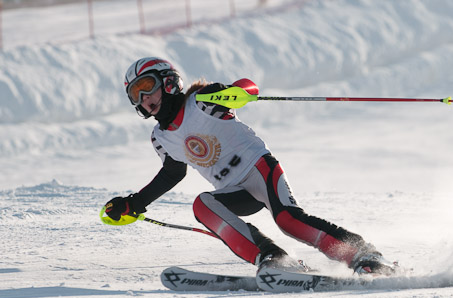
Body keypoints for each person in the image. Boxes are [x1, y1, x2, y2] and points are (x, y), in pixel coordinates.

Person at [104, 57, 394, 275]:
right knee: (202, 205)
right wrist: (134, 203)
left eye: (146, 87)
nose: (143, 99)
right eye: (135, 95)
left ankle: (364, 255)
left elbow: (248, 88)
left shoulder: (201, 101)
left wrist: (237, 92)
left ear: (168, 82)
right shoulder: (161, 137)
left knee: (288, 221)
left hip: (259, 169)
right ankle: (274, 260)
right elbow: (172, 173)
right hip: (234, 190)